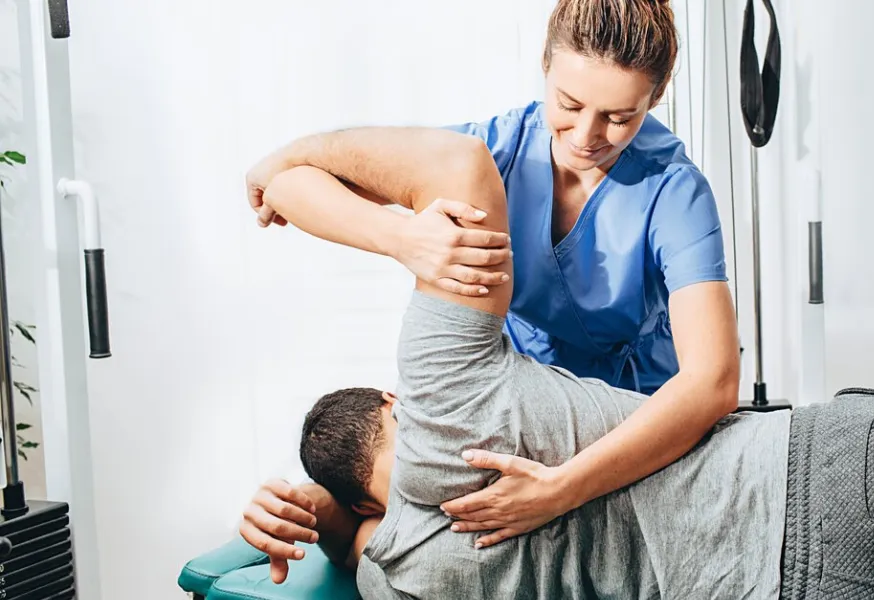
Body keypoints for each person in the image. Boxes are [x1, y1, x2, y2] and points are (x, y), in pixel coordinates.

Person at [254, 149, 874, 600]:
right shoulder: (443, 390)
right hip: (829, 481)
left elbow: (356, 544)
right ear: (393, 396)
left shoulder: (405, 577)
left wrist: (329, 515)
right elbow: (458, 167)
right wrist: (371, 222)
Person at [239, 0, 742, 574]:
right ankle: (313, 511)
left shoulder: (674, 191)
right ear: (545, 64)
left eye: (620, 117)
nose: (586, 135)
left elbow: (714, 382)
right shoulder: (494, 152)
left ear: (656, 97)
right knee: (422, 537)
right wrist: (401, 238)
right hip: (517, 410)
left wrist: (561, 489)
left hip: (632, 427)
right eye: (569, 104)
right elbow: (290, 187)